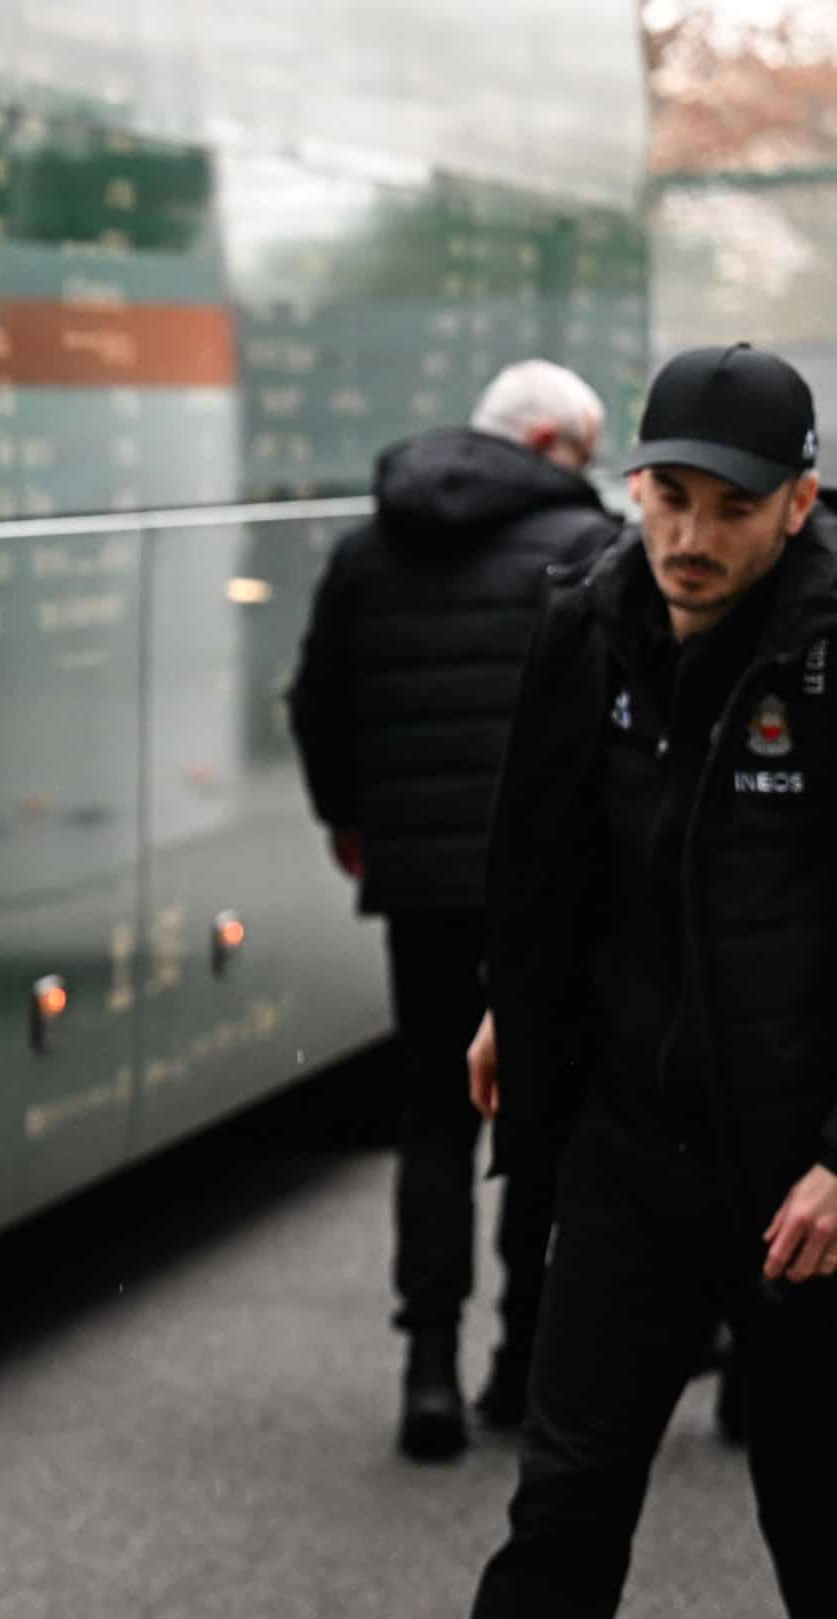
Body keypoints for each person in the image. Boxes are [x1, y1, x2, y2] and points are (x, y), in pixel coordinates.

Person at [456, 342, 837, 1619]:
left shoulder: (826, 651)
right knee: (560, 1510)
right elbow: (542, 853)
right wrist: (516, 998)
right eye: (670, 497)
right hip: (629, 1155)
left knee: (822, 1539)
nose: (693, 535)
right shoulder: (589, 617)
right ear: (633, 487)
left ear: (799, 505)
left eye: (733, 507)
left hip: (799, 1184)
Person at [288, 360, 620, 1460]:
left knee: (432, 1112)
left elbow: (315, 700)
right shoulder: (582, 546)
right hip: (549, 889)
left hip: (421, 884)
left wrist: (350, 819)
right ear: (546, 445)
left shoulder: (367, 544)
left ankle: (424, 1366)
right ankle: (519, 1367)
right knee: (539, 1109)